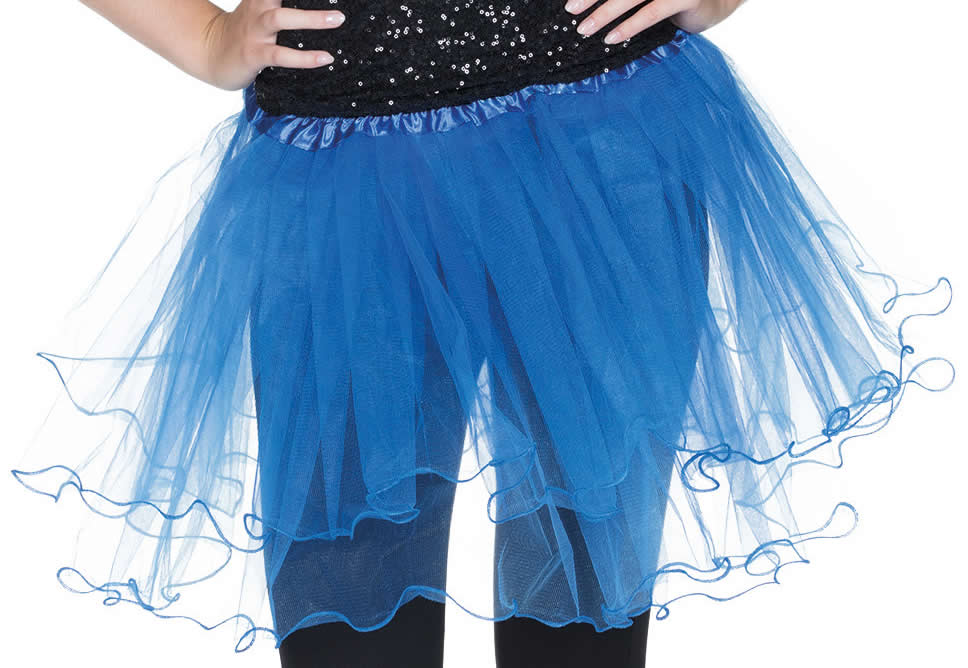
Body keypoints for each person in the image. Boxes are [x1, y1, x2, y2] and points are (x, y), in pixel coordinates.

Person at [10, 1, 954, 667]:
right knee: (349, 610)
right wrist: (204, 35)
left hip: (597, 140)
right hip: (347, 183)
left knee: (582, 605)